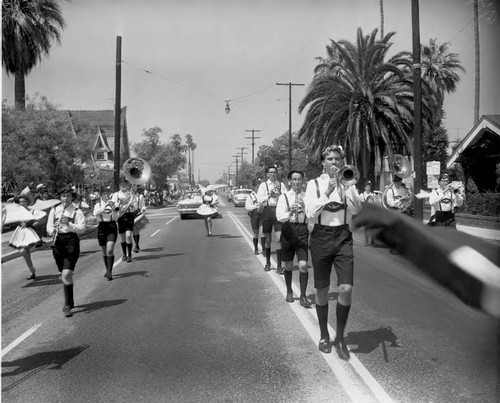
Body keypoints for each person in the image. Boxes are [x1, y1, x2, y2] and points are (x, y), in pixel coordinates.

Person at [304, 145, 362, 360]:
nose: (334, 163)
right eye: (330, 159)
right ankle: (323, 335)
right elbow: (310, 213)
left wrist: (348, 189)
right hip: (320, 237)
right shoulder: (313, 185)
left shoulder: (349, 182)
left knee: (346, 288)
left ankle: (340, 337)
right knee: (322, 289)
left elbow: (356, 210)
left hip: (343, 237)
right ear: (323, 162)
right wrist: (327, 192)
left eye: (337, 159)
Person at [46, 186, 86, 317]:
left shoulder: (77, 211)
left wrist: (68, 224)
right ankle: (71, 299)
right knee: (64, 274)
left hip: (71, 242)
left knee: (67, 274)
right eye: (63, 196)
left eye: (68, 196)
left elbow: (82, 229)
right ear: (60, 197)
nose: (65, 198)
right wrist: (52, 230)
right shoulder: (54, 210)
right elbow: (49, 228)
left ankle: (67, 305)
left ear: (72, 197)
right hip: (58, 242)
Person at [276, 170, 311, 308]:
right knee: (289, 265)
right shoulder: (284, 197)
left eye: (299, 179)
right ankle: (289, 290)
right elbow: (279, 216)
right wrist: (290, 211)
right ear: (289, 181)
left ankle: (303, 296)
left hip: (302, 230)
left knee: (303, 265)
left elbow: (313, 215)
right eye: (294, 179)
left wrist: (304, 207)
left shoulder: (307, 196)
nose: (297, 182)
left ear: (303, 181)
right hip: (288, 230)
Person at [257, 165, 287, 273]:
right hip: (267, 211)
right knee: (268, 239)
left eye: (274, 172)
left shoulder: (281, 184)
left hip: (278, 211)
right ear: (267, 174)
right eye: (270, 172)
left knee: (279, 239)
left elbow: (285, 197)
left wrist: (280, 194)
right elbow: (260, 199)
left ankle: (279, 266)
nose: (272, 174)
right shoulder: (263, 185)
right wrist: (269, 195)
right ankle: (268, 263)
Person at [9, 196, 46, 280]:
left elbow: (43, 219)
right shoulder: (18, 212)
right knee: (25, 252)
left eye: (23, 202)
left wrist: (33, 224)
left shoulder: (33, 211)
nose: (22, 203)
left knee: (23, 251)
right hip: (20, 232)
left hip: (30, 233)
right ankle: (32, 271)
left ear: (27, 202)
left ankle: (32, 270)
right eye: (20, 202)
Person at [93, 191, 119, 280]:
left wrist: (114, 208)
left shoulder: (113, 204)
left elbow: (116, 216)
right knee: (104, 251)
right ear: (101, 196)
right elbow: (95, 213)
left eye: (108, 194)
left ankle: (109, 272)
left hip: (111, 226)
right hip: (102, 227)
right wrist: (105, 206)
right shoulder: (98, 204)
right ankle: (107, 269)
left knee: (110, 250)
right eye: (105, 194)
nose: (107, 196)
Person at [112, 181, 137, 262]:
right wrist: (118, 204)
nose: (123, 186)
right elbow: (113, 205)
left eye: (125, 185)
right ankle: (124, 254)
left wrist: (131, 205)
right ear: (119, 186)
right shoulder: (116, 195)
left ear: (127, 186)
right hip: (121, 216)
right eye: (122, 185)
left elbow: (135, 207)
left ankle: (129, 255)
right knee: (123, 237)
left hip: (129, 215)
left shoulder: (131, 195)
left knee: (128, 235)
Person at [245, 186, 265, 255]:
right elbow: (247, 207)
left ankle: (264, 249)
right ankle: (256, 249)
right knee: (255, 233)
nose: (258, 188)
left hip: (262, 215)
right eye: (256, 187)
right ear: (253, 188)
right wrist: (255, 206)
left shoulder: (262, 195)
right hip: (254, 215)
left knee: (263, 232)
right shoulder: (250, 196)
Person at [359, 180, 376, 246]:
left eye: (369, 186)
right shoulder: (361, 195)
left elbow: (376, 203)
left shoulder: (373, 195)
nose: (368, 188)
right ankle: (366, 241)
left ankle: (372, 241)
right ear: (364, 187)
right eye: (367, 186)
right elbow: (360, 204)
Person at [132, 186, 147, 252]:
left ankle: (136, 245)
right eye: (132, 187)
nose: (133, 189)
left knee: (136, 230)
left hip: (137, 214)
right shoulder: (128, 196)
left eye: (135, 187)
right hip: (129, 214)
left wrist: (143, 209)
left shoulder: (140, 196)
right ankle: (136, 245)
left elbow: (143, 205)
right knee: (132, 230)